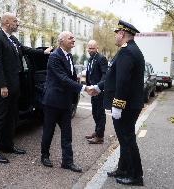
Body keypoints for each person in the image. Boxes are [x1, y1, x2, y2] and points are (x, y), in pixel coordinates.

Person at [0, 12, 52, 164]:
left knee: (12, 117)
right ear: (7, 22)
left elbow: (26, 49)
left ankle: (8, 145)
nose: (18, 23)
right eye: (15, 21)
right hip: (3, 87)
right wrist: (2, 85)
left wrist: (43, 52)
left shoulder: (13, 39)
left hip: (14, 85)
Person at [95, 20, 145, 186]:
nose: (116, 36)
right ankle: (123, 169)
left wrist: (117, 105)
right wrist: (98, 87)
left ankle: (136, 175)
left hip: (126, 106)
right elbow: (114, 77)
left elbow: (123, 82)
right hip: (130, 105)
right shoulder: (130, 50)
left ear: (122, 34)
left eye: (117, 33)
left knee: (127, 139)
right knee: (125, 139)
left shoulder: (127, 52)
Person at [41, 31, 92, 172]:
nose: (73, 40)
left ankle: (67, 162)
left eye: (74, 38)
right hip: (52, 101)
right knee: (48, 131)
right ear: (61, 41)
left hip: (65, 102)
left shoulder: (69, 55)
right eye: (70, 38)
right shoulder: (54, 57)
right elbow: (63, 79)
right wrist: (83, 88)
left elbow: (71, 77)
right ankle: (44, 155)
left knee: (67, 133)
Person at [85, 40, 108, 144]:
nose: (90, 50)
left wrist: (98, 87)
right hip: (92, 91)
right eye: (89, 48)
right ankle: (97, 131)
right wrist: (88, 86)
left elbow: (105, 75)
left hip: (99, 91)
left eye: (92, 48)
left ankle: (100, 137)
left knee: (100, 113)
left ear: (97, 48)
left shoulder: (101, 58)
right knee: (95, 112)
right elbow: (90, 74)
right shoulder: (90, 59)